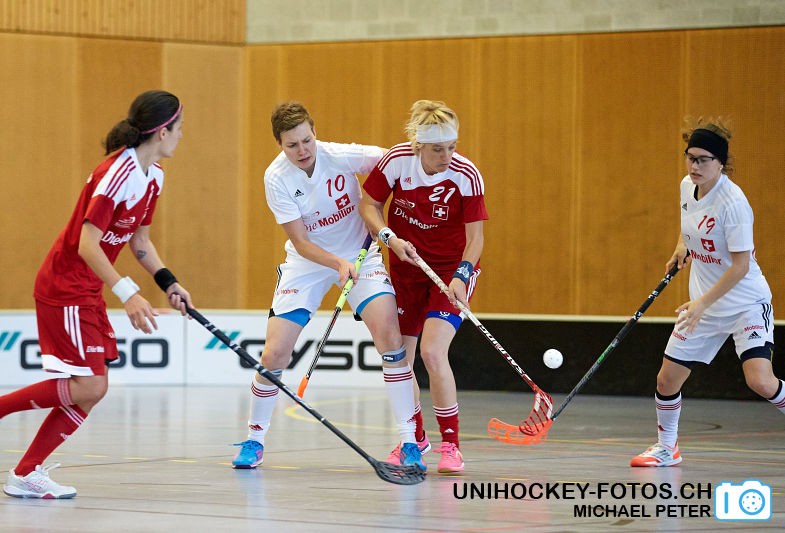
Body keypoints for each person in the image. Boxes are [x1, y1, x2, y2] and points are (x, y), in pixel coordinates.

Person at [0, 90, 192, 499]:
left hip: (86, 289)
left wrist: (168, 282)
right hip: (65, 285)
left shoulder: (153, 175)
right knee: (89, 387)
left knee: (92, 389)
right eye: (178, 127)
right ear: (161, 131)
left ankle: (26, 472)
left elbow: (139, 241)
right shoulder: (116, 175)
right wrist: (129, 293)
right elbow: (88, 244)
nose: (181, 135)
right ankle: (23, 463)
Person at [231, 102, 424, 471]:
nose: (302, 150)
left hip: (361, 258)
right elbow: (301, 242)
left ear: (314, 132)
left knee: (391, 339)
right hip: (308, 263)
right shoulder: (276, 178)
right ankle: (254, 439)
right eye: (292, 145)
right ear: (279, 144)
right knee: (274, 353)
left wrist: (429, 149)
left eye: (307, 140)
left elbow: (393, 162)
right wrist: (337, 263)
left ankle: (409, 441)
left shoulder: (342, 155)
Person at [631, 118, 783, 467]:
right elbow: (691, 228)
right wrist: (680, 248)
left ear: (720, 163)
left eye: (703, 160)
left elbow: (741, 266)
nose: (695, 166)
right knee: (667, 379)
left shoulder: (734, 204)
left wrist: (700, 303)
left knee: (760, 381)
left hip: (744, 303)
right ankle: (667, 448)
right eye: (690, 157)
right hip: (704, 304)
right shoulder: (687, 186)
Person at [360, 100, 488, 473]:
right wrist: (388, 237)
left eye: (451, 146)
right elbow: (369, 204)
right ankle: (414, 438)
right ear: (419, 145)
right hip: (405, 269)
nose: (447, 156)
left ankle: (451, 445)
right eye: (437, 149)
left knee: (433, 352)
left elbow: (476, 238)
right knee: (400, 358)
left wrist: (462, 276)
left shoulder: (466, 174)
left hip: (451, 271)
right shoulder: (397, 161)